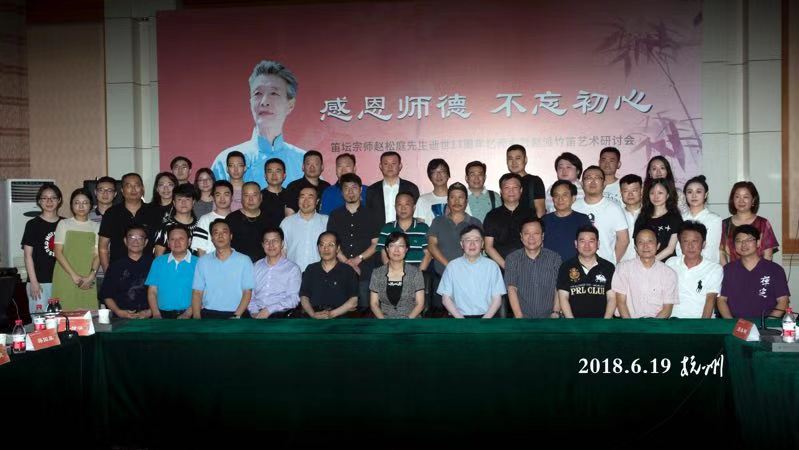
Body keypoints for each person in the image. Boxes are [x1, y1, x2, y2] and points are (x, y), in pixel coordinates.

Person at [211, 59, 305, 188]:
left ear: (290, 104)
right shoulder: (224, 161)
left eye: (274, 93)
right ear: (250, 102)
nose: (264, 102)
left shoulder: (304, 162)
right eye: (258, 93)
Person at [326, 173, 381, 310]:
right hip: (340, 271)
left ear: (361, 190)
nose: (350, 192)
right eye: (346, 188)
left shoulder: (372, 214)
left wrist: (357, 260)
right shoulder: (335, 215)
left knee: (366, 311)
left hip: (366, 271)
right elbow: (332, 244)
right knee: (340, 311)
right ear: (341, 192)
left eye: (354, 187)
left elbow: (376, 244)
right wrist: (347, 263)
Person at [428, 183, 482, 311]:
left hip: (469, 279)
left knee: (467, 315)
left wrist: (460, 270)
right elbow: (432, 245)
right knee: (440, 317)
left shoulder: (475, 222)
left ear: (466, 201)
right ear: (447, 201)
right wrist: (450, 266)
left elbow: (479, 248)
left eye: (460, 197)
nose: (456, 201)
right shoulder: (438, 221)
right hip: (441, 277)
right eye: (452, 197)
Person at [717, 224, 789, 319]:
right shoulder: (728, 270)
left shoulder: (775, 269)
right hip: (735, 323)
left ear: (758, 243)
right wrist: (731, 323)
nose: (744, 244)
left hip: (766, 324)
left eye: (749, 240)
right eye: (739, 241)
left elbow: (783, 301)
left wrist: (768, 323)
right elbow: (721, 300)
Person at [437, 225, 505, 318]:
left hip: (487, 318)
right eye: (468, 240)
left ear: (482, 244)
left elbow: (497, 299)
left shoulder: (492, 266)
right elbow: (446, 298)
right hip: (458, 318)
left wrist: (484, 320)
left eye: (476, 240)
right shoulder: (452, 266)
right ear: (462, 244)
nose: (472, 244)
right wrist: (461, 319)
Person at [191, 218, 254, 319]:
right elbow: (197, 292)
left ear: (231, 236)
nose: (220, 236)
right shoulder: (203, 261)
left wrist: (236, 315)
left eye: (224, 232)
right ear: (212, 238)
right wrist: (197, 317)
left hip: (237, 313)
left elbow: (247, 292)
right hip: (209, 314)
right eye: (216, 233)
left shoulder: (244, 260)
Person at [612, 227, 679, 318]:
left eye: (650, 241)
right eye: (641, 242)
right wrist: (629, 325)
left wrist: (653, 326)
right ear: (635, 247)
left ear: (658, 245)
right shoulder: (623, 268)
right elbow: (621, 303)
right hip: (628, 322)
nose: (645, 246)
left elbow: (667, 309)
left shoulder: (669, 273)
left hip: (656, 323)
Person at [504, 217, 562, 318]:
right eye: (527, 234)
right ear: (521, 236)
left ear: (542, 236)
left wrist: (555, 312)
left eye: (536, 233)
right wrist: (519, 317)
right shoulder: (512, 259)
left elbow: (559, 287)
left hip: (550, 317)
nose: (531, 238)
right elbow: (511, 288)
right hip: (522, 318)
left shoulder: (555, 258)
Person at [52, 189, 100, 311]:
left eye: (85, 202)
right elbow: (58, 252)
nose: (81, 206)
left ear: (91, 205)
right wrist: (74, 275)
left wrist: (91, 276)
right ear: (71, 205)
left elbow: (98, 254)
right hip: (65, 275)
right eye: (77, 202)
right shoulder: (64, 224)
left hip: (87, 277)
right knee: (65, 314)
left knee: (88, 316)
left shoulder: (96, 226)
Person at [572, 165, 629, 265]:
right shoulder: (574, 207)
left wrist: (611, 262)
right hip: (577, 266)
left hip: (605, 266)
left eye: (597, 178)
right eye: (588, 178)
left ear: (604, 183)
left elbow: (624, 240)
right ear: (581, 183)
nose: (593, 182)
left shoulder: (614, 208)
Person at [99, 173, 157, 270]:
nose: (133, 189)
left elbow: (158, 247)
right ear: (122, 190)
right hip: (118, 271)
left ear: (142, 189)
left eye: (137, 185)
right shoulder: (111, 213)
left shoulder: (153, 212)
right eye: (129, 186)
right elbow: (103, 247)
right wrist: (108, 273)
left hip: (147, 271)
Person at [666, 221, 723, 318]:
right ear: (680, 244)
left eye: (695, 241)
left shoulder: (714, 269)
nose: (690, 246)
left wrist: (701, 326)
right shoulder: (671, 263)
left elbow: (710, 301)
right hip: (672, 319)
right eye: (685, 241)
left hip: (699, 320)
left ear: (703, 244)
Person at [557, 225, 616, 318]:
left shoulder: (608, 267)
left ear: (598, 244)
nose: (587, 245)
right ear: (576, 244)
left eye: (591, 241)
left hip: (602, 322)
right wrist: (571, 323)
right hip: (574, 322)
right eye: (582, 241)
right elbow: (563, 297)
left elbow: (611, 298)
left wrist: (605, 322)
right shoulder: (566, 267)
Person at [22, 183, 63, 313]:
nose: (49, 201)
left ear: (59, 200)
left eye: (53, 197)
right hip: (39, 282)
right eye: (45, 198)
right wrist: (34, 282)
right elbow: (27, 255)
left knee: (61, 319)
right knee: (40, 320)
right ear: (39, 201)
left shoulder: (65, 224)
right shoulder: (32, 224)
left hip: (61, 280)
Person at [299, 231, 359, 319]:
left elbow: (354, 301)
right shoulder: (311, 269)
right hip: (314, 317)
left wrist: (331, 314)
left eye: (331, 245)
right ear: (318, 248)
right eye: (322, 245)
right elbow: (304, 297)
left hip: (340, 317)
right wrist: (313, 314)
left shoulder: (347, 270)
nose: (326, 249)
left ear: (338, 248)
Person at [483, 173, 536, 270]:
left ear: (521, 190)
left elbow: (536, 242)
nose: (511, 191)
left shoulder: (530, 214)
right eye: (507, 187)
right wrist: (507, 267)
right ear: (501, 191)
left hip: (527, 267)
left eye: (515, 187)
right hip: (499, 268)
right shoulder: (492, 215)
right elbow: (488, 247)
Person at [101, 224, 154, 319]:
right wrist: (118, 312)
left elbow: (162, 293)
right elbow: (106, 295)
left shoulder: (154, 265)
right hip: (120, 318)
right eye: (132, 237)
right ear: (125, 241)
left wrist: (149, 312)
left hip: (149, 318)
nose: (135, 241)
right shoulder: (115, 266)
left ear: (146, 242)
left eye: (140, 238)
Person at [719, 181, 778, 265]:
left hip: (759, 270)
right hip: (734, 271)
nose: (741, 201)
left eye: (745, 197)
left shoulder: (763, 223)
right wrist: (727, 270)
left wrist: (762, 271)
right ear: (733, 200)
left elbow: (768, 255)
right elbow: (721, 252)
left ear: (753, 200)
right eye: (737, 197)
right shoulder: (724, 224)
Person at [146, 224, 197, 319]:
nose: (177, 242)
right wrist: (156, 314)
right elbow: (152, 291)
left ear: (189, 241)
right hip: (162, 315)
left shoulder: (199, 263)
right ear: (168, 243)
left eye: (181, 238)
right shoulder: (158, 262)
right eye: (172, 239)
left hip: (190, 315)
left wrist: (187, 314)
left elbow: (202, 292)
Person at [248, 227, 301, 319]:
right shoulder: (254, 267)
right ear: (262, 245)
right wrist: (254, 311)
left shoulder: (292, 269)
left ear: (282, 244)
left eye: (275, 241)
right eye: (267, 241)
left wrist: (268, 310)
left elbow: (293, 299)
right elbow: (249, 295)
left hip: (280, 316)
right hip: (255, 315)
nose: (271, 245)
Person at [369, 232, 425, 319]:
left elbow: (420, 304)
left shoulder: (415, 273)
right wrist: (384, 322)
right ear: (387, 249)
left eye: (401, 246)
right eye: (392, 245)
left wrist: (406, 322)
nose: (396, 250)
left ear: (406, 249)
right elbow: (374, 304)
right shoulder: (377, 273)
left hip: (411, 321)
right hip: (385, 321)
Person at [376, 192, 430, 269]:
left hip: (418, 272)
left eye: (407, 204)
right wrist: (392, 272)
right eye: (399, 205)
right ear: (395, 207)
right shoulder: (387, 228)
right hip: (393, 272)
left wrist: (418, 274)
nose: (403, 208)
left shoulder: (423, 228)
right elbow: (384, 253)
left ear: (414, 207)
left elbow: (428, 254)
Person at [280, 186, 329, 271]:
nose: (306, 201)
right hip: (293, 273)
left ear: (317, 201)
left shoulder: (326, 221)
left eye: (310, 197)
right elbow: (282, 250)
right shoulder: (287, 222)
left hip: (320, 273)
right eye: (302, 197)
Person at [633, 178, 683, 261]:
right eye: (652, 193)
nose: (656, 196)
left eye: (660, 193)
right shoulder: (642, 217)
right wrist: (642, 264)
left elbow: (670, 249)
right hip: (644, 264)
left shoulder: (675, 218)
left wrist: (651, 262)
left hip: (667, 264)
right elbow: (637, 246)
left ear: (668, 195)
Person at [541, 180, 592, 261]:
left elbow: (589, 246)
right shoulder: (544, 220)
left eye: (565, 195)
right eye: (556, 195)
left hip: (575, 266)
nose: (560, 199)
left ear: (573, 198)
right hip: (549, 265)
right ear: (553, 199)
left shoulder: (582, 219)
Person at [153, 184, 208, 256]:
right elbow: (158, 256)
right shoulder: (165, 226)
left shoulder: (200, 226)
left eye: (187, 199)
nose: (183, 203)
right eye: (179, 199)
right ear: (174, 203)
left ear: (193, 202)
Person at [227, 182, 277, 262]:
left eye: (254, 195)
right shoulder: (231, 219)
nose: (250, 199)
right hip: (238, 265)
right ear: (241, 198)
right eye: (246, 195)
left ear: (261, 197)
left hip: (265, 266)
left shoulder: (270, 218)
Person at [365, 151, 420, 223]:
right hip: (379, 230)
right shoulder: (372, 190)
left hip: (405, 230)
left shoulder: (411, 188)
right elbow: (368, 216)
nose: (390, 167)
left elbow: (417, 214)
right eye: (386, 164)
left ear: (400, 166)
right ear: (380, 166)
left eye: (393, 163)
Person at [677, 175, 722, 264]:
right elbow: (678, 247)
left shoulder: (714, 219)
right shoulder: (680, 218)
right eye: (690, 192)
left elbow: (711, 250)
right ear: (685, 195)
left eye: (698, 192)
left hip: (706, 266)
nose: (694, 195)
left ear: (706, 195)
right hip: (682, 266)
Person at [415, 159, 467, 225]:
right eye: (434, 172)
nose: (438, 175)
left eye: (442, 171)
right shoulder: (423, 200)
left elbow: (467, 222)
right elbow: (420, 226)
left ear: (448, 175)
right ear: (430, 177)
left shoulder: (460, 197)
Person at [89, 176, 116, 296]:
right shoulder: (86, 216)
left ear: (115, 194)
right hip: (90, 274)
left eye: (109, 190)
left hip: (116, 273)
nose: (105, 194)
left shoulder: (121, 215)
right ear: (95, 192)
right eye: (101, 190)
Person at [194, 180, 233, 255]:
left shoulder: (237, 219)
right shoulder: (204, 219)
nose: (222, 198)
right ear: (213, 197)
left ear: (232, 197)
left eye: (226, 194)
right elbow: (200, 249)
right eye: (218, 195)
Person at [505, 145, 545, 217]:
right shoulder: (505, 181)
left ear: (525, 160)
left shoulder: (535, 181)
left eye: (518, 158)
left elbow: (540, 211)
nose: (514, 162)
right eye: (510, 159)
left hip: (530, 223)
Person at [259, 158, 292, 226]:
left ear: (284, 175)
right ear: (265, 176)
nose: (274, 175)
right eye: (270, 171)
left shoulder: (291, 195)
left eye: (278, 171)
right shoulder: (258, 197)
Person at [619, 174, 643, 262]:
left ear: (641, 191)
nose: (630, 194)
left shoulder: (650, 214)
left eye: (634, 190)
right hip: (621, 263)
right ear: (621, 193)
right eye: (625, 191)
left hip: (646, 264)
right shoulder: (616, 215)